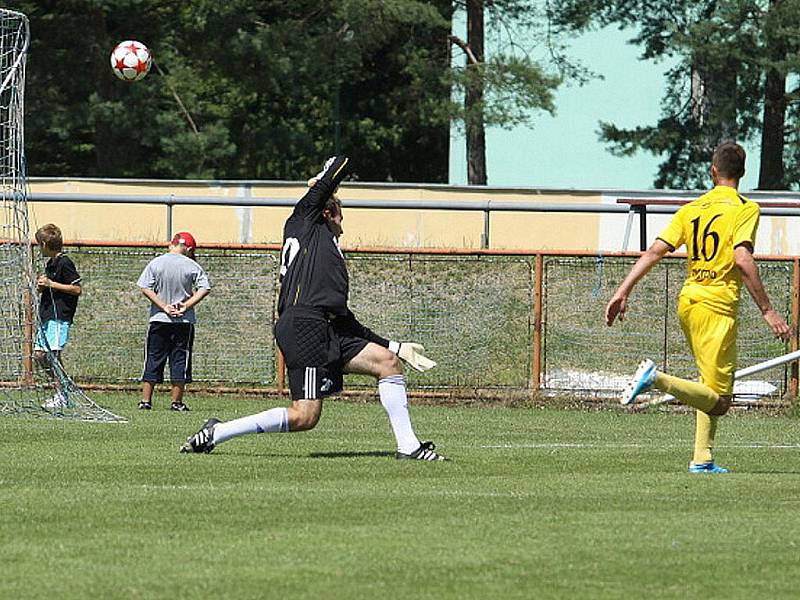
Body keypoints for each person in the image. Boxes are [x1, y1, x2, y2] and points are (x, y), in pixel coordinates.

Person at [181, 156, 446, 460]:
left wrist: (396, 346)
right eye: (339, 219)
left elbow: (345, 321)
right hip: (304, 325)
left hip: (324, 326)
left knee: (386, 362)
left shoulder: (326, 252)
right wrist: (320, 180)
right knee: (304, 416)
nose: (342, 229)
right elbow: (341, 163)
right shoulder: (305, 221)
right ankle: (217, 432)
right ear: (326, 212)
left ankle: (409, 448)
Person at [605, 141, 791, 473]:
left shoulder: (692, 208)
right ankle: (655, 379)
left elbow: (654, 252)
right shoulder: (745, 208)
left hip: (688, 302)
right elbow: (742, 259)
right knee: (720, 403)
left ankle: (702, 459)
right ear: (743, 172)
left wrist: (622, 291)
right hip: (717, 306)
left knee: (708, 385)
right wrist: (767, 310)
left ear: (712, 171)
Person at [137, 231, 211, 411]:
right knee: (180, 360)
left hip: (159, 320)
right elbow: (205, 288)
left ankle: (146, 401)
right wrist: (186, 305)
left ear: (172, 244)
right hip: (183, 322)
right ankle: (176, 402)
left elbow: (144, 287)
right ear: (189, 248)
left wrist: (163, 306)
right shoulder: (192, 266)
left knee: (153, 358)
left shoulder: (156, 262)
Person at [34, 223, 82, 410]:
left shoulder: (65, 263)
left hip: (59, 317)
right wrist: (41, 286)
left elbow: (76, 289)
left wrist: (52, 284)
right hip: (46, 315)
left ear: (45, 244)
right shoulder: (50, 264)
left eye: (39, 244)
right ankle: (61, 386)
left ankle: (62, 394)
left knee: (53, 354)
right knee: (39, 356)